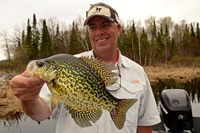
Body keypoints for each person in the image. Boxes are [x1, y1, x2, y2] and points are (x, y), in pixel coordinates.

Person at [10, 2, 160, 133]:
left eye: (105, 25)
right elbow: (41, 114)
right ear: (88, 32)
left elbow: (145, 125)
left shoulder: (138, 72)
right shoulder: (68, 67)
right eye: (92, 27)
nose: (99, 32)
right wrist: (28, 100)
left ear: (118, 29)